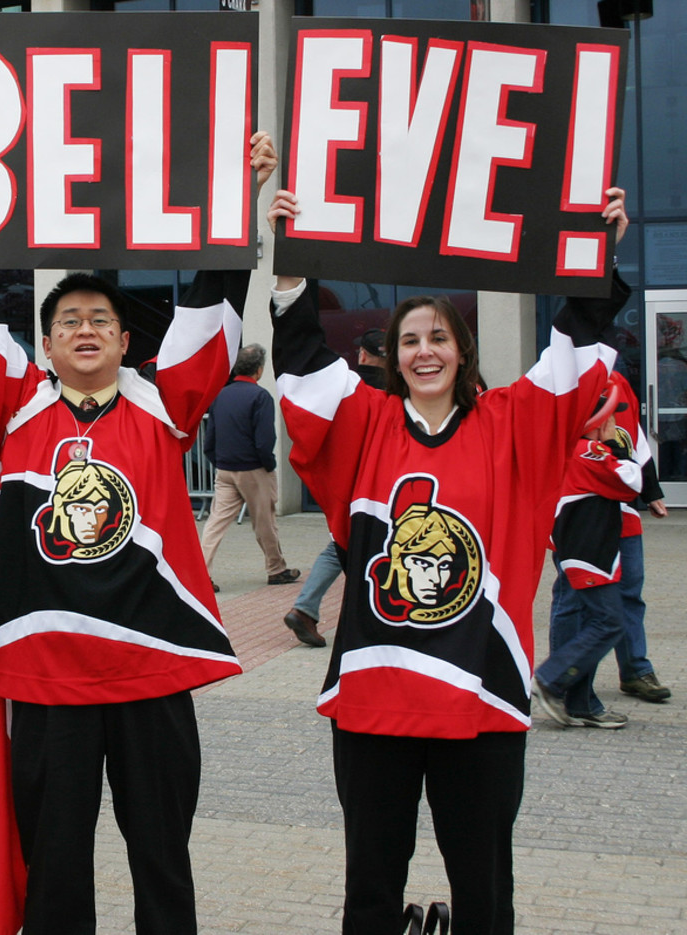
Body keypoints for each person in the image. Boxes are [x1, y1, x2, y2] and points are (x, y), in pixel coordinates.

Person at [0, 130, 277, 935]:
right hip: (48, 684)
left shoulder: (162, 403)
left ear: (123, 340)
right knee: (55, 865)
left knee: (161, 857)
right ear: (44, 343)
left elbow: (212, 306)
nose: (85, 329)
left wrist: (242, 199)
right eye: (69, 320)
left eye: (101, 321)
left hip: (151, 676)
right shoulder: (11, 405)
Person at [267, 185, 630, 934]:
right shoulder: (364, 420)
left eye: (439, 337)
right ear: (391, 356)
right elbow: (303, 361)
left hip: (483, 695)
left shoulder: (511, 424)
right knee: (370, 883)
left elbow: (569, 357)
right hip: (374, 700)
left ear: (462, 350)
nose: (424, 350)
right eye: (409, 340)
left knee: (484, 887)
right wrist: (289, 261)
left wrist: (600, 251)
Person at [547, 372, 672, 706]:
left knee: (628, 593)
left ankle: (635, 671)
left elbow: (636, 439)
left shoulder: (616, 380)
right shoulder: (558, 381)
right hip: (580, 521)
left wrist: (652, 490)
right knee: (575, 602)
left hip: (620, 513)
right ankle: (559, 680)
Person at [533, 375, 642, 729]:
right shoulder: (588, 451)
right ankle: (551, 679)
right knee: (609, 622)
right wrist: (620, 449)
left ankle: (581, 703)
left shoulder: (570, 449)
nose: (614, 424)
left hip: (581, 548)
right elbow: (630, 483)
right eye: (610, 418)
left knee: (588, 620)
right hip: (590, 551)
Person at [283, 326, 388, 648]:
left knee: (341, 546)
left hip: (349, 488)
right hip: (386, 491)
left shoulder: (345, 390)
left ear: (364, 355)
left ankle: (306, 609)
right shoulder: (402, 394)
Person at [198, 343, 300, 590]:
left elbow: (209, 438)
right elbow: (265, 440)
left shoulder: (221, 395)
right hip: (253, 469)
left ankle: (200, 573)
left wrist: (218, 460)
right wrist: (269, 465)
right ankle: (276, 569)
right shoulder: (260, 396)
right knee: (265, 522)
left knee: (215, 523)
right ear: (260, 370)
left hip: (224, 469)